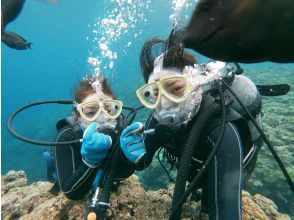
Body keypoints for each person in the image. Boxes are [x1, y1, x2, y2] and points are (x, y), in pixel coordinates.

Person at [119, 30, 263, 220]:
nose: (164, 103)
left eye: (176, 89)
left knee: (210, 203)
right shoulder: (156, 120)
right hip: (194, 172)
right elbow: (138, 164)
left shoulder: (222, 130)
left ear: (197, 87)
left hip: (228, 166)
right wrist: (123, 158)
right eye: (154, 94)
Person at [48, 75, 136, 200]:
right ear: (78, 117)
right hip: (74, 171)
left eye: (108, 110)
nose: (103, 118)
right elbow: (71, 192)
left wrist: (129, 160)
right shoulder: (67, 137)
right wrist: (89, 163)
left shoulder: (121, 129)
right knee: (55, 175)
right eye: (90, 112)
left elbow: (121, 175)